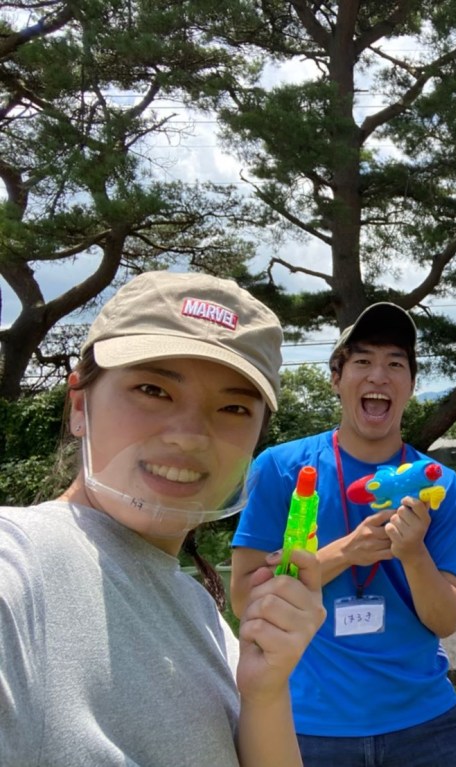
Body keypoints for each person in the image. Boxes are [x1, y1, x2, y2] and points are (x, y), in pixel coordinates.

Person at [0, 271, 326, 766]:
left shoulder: (203, 614)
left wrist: (265, 691)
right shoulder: (18, 566)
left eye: (233, 407)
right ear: (80, 405)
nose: (190, 435)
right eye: (152, 389)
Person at [231, 302, 456, 767]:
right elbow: (246, 599)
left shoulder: (439, 485)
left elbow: (446, 620)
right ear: (336, 378)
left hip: (424, 718)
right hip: (305, 723)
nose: (379, 376)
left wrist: (413, 553)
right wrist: (348, 551)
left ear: (411, 384)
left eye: (396, 364)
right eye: (363, 361)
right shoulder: (282, 470)